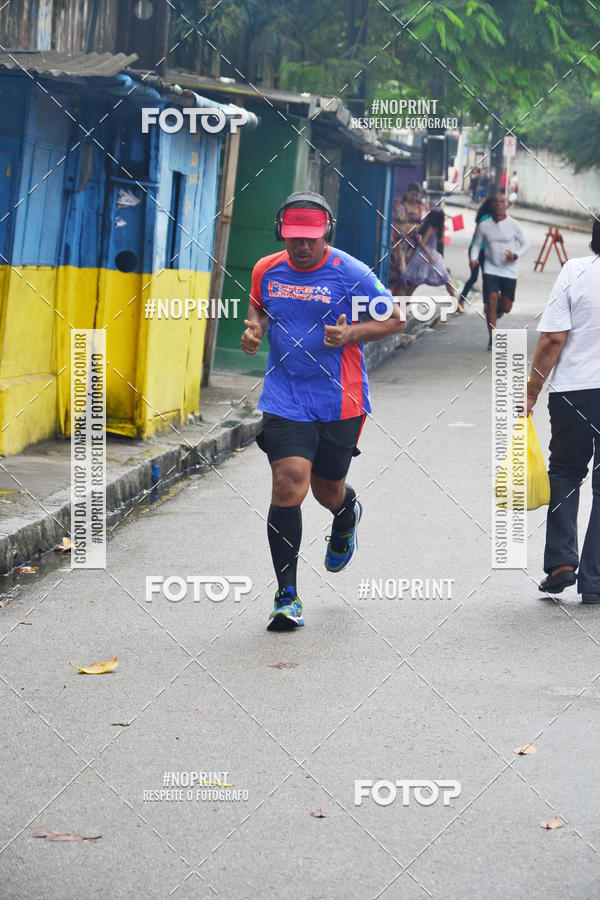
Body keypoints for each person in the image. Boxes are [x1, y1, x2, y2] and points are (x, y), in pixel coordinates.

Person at [241, 190, 406, 631]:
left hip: (340, 401)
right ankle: (286, 595)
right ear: (283, 232)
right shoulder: (266, 270)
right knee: (288, 484)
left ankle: (346, 513)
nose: (302, 246)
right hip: (285, 397)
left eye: (311, 238)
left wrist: (351, 331)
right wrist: (255, 328)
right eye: (294, 237)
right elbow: (259, 306)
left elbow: (395, 320)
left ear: (325, 233)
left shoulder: (350, 273)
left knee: (326, 491)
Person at [527, 217, 600, 604]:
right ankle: (596, 579)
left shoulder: (575, 271)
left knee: (567, 471)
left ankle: (560, 564)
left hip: (574, 393)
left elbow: (553, 339)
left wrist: (532, 389)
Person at [470, 194, 529, 349]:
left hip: (509, 269)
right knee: (491, 299)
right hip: (491, 267)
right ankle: (493, 338)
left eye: (502, 202)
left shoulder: (514, 225)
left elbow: (525, 244)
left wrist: (515, 255)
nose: (498, 204)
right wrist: (473, 258)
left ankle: (498, 308)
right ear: (491, 205)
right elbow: (476, 245)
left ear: (506, 205)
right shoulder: (484, 225)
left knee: (507, 307)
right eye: (495, 202)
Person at [398, 207, 459, 304]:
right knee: (445, 278)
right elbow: (422, 243)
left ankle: (404, 303)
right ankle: (455, 302)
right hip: (427, 255)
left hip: (427, 255)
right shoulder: (432, 228)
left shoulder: (431, 227)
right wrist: (430, 255)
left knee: (417, 282)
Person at [389, 181, 425, 294]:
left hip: (414, 246)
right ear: (407, 193)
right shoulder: (398, 204)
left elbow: (426, 225)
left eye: (416, 195)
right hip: (398, 244)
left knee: (413, 275)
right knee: (400, 272)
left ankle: (403, 302)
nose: (414, 198)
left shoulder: (422, 207)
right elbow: (394, 222)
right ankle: (395, 303)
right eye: (412, 194)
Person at [459, 196, 494, 307]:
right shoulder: (485, 217)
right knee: (474, 277)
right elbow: (476, 234)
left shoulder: (491, 217)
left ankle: (485, 304)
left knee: (485, 277)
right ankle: (461, 299)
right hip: (477, 251)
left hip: (484, 251)